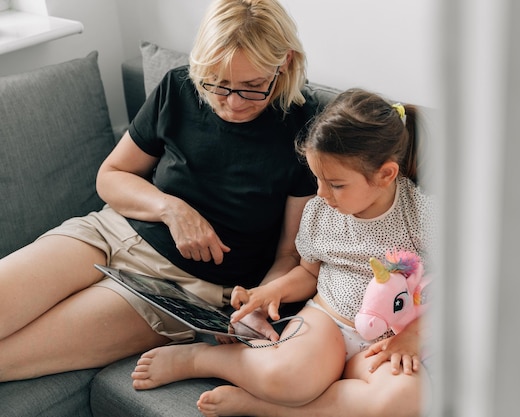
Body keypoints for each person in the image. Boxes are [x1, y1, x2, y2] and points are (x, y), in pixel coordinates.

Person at [0, 0, 320, 382]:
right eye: (217, 84)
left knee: (8, 358)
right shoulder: (178, 87)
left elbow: (289, 254)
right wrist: (172, 209)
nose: (232, 104)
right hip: (107, 233)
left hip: (178, 288)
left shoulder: (306, 131)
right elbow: (111, 176)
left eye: (252, 87)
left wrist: (256, 303)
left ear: (284, 62)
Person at [131, 88, 437, 417]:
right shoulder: (321, 211)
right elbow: (307, 273)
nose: (321, 193)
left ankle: (270, 409)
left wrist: (414, 338)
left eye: (336, 184)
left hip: (388, 338)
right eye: (317, 178)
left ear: (386, 174)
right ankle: (199, 359)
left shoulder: (422, 215)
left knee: (408, 399)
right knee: (288, 377)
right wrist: (270, 291)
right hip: (328, 322)